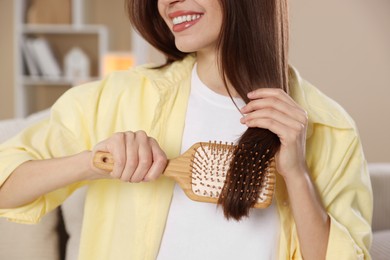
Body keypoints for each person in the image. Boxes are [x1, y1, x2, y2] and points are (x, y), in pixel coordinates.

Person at [0, 0, 372, 259]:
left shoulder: (329, 127)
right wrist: (94, 162)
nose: (169, 1)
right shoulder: (119, 98)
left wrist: (296, 173)